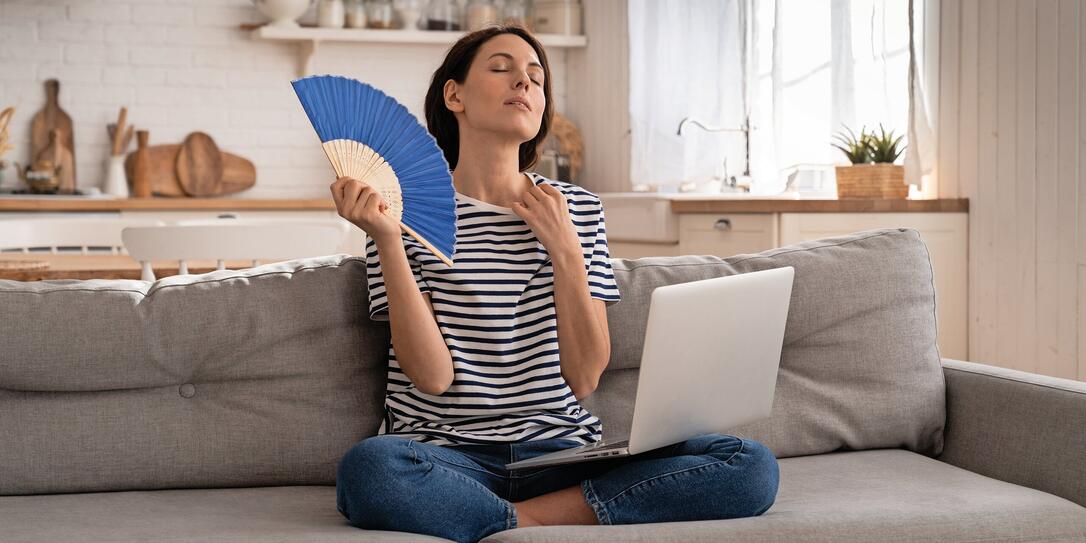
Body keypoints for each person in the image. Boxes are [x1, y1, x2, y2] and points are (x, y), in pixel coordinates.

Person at [329, 25, 779, 543]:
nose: (522, 81)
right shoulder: (400, 216)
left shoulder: (578, 210)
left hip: (560, 454)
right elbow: (431, 378)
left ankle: (514, 521)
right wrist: (387, 240)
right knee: (370, 470)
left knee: (749, 465)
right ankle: (545, 519)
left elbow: (585, 375)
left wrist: (565, 249)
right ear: (454, 94)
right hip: (447, 456)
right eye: (501, 68)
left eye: (536, 77)